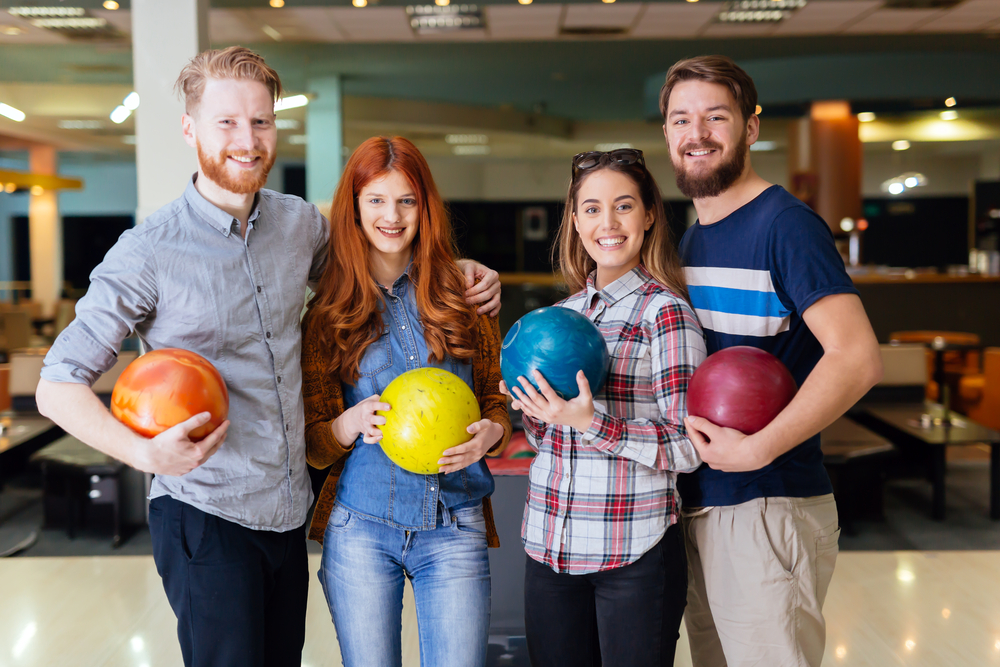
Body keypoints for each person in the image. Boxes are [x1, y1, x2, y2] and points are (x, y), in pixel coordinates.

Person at [34, 48, 500, 667]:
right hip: (206, 507)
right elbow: (57, 384)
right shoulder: (147, 251)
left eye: (261, 122)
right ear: (189, 127)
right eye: (226, 122)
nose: (247, 141)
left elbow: (385, 248)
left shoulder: (299, 226)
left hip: (285, 513)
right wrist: (145, 454)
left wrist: (460, 272)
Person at [659, 55, 884, 667]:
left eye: (715, 116)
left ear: (751, 128)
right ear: (667, 135)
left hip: (766, 503)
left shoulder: (786, 226)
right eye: (681, 119)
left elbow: (858, 357)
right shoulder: (695, 237)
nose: (696, 133)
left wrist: (759, 448)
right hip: (703, 501)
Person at [300, 135, 512, 667]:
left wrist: (494, 432)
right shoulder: (327, 315)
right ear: (353, 208)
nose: (391, 216)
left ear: (426, 208)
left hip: (455, 523)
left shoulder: (466, 295)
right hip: (361, 528)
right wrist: (347, 424)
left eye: (406, 201)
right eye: (375, 200)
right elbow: (313, 446)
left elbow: (494, 400)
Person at [501, 148, 706, 667]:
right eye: (591, 209)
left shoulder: (667, 314)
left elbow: (687, 446)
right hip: (550, 544)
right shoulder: (561, 315)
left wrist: (594, 422)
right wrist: (535, 411)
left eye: (623, 206)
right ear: (574, 220)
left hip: (633, 552)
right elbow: (551, 439)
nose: (607, 223)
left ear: (649, 214)